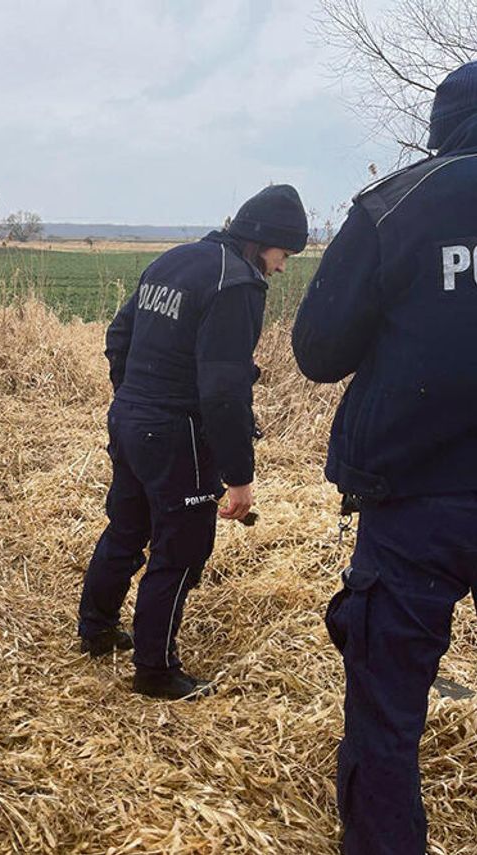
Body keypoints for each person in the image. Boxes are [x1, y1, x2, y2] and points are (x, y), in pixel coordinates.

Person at [292, 61, 477, 855]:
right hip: (413, 497)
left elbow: (318, 351)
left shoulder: (396, 205)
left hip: (413, 504)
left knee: (387, 712)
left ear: (441, 126)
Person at [77, 185, 308, 700]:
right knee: (181, 549)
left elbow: (119, 336)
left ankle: (96, 628)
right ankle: (155, 671)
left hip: (130, 418)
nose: (281, 267)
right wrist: (239, 477)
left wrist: (133, 396)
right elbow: (224, 391)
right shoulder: (237, 283)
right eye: (284, 255)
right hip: (175, 431)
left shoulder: (174, 260)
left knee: (126, 526)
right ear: (263, 242)